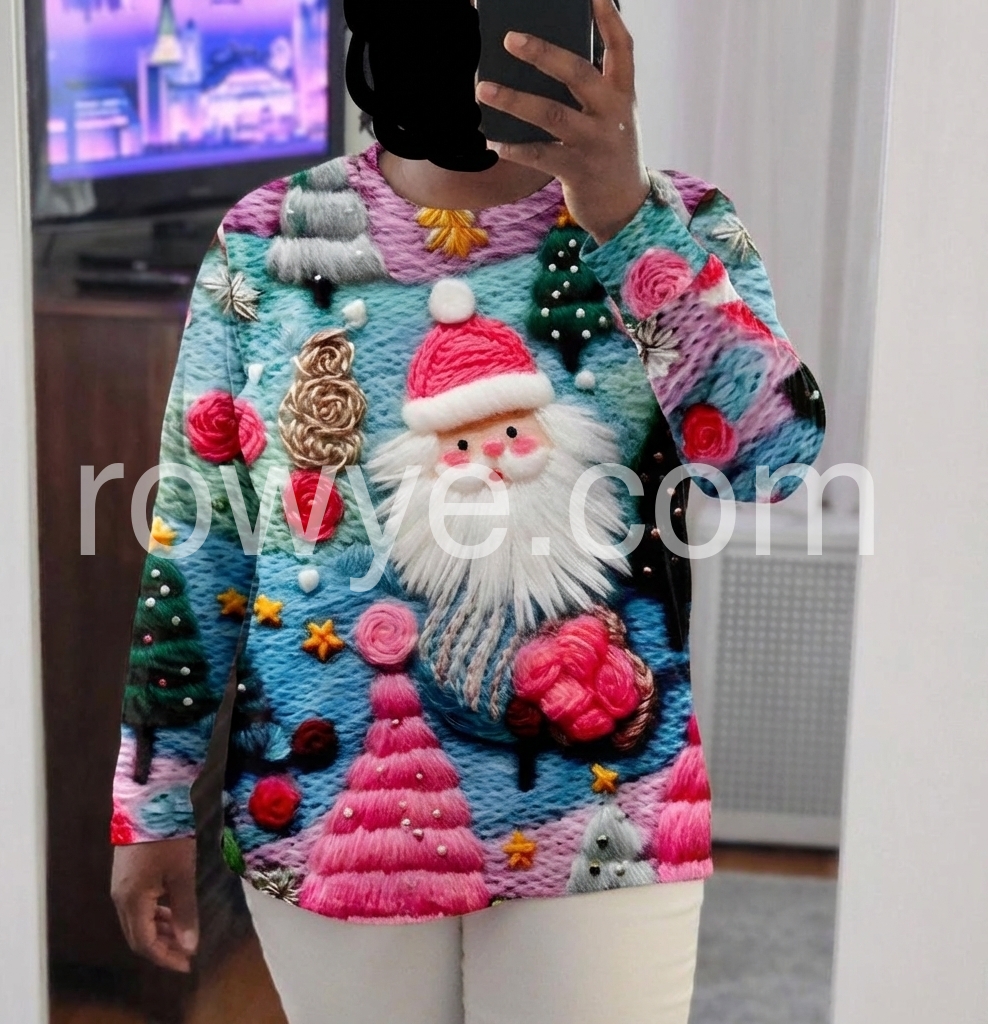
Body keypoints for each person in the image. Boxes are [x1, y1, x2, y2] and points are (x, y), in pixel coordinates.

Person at [110, 2, 824, 1021]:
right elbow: (199, 537)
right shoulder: (266, 239)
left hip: (606, 820)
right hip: (328, 813)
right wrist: (149, 805)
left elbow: (772, 464)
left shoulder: (679, 222)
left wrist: (623, 218)